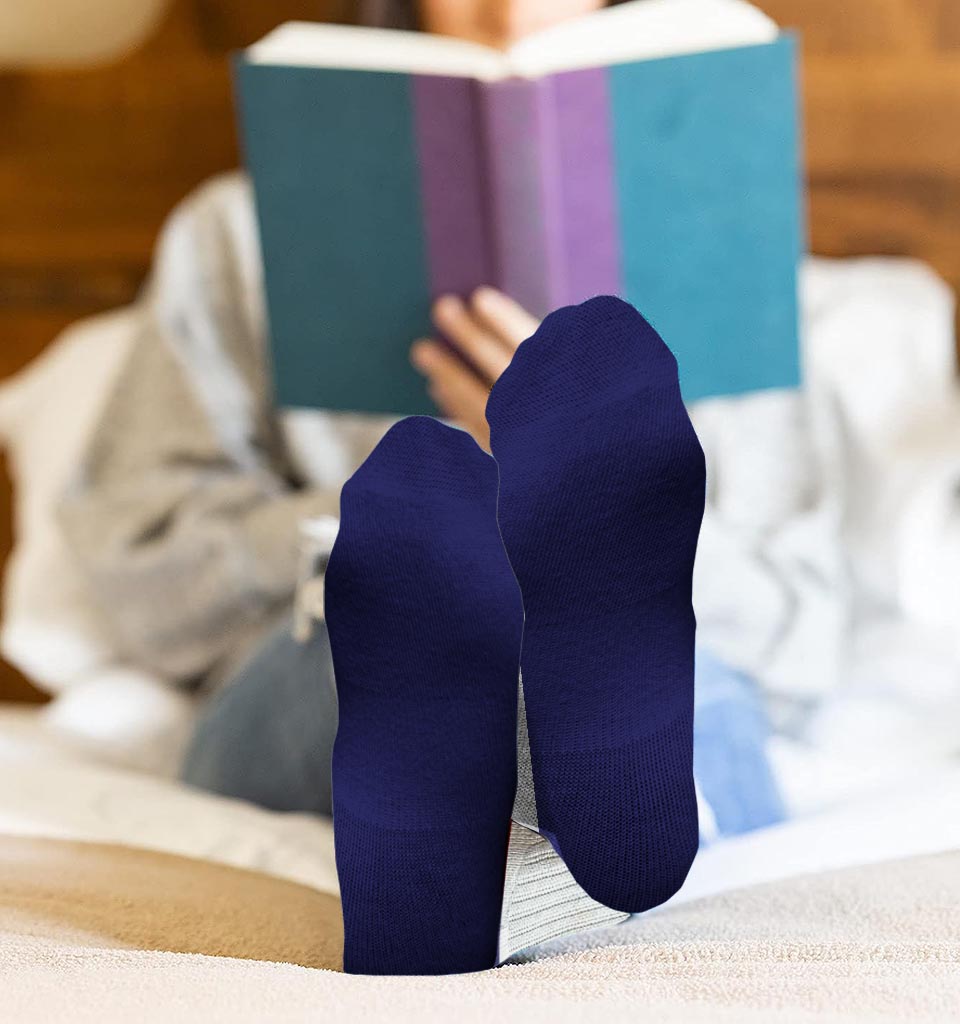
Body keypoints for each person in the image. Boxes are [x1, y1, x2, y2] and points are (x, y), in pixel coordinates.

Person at [57, 0, 622, 812]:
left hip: (661, 660)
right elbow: (144, 577)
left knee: (628, 657)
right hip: (332, 656)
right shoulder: (238, 231)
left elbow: (795, 617)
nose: (504, 10)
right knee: (454, 631)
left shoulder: (722, 230)